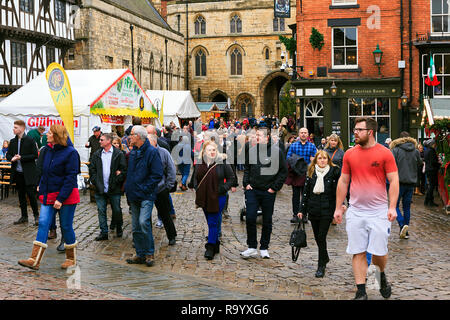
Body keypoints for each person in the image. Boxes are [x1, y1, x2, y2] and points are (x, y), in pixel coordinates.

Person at [333, 117, 399, 300]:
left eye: (359, 130)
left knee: (379, 253)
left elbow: (394, 181)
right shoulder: (350, 154)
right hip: (356, 211)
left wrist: (392, 207)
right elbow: (343, 181)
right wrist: (338, 207)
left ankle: (381, 276)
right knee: (358, 251)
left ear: (370, 132)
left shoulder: (385, 154)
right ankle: (361, 291)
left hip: (378, 212)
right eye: (354, 129)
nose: (355, 132)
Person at [18, 124, 81, 270]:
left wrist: (61, 199)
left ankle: (71, 259)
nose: (47, 134)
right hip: (49, 194)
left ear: (57, 136)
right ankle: (34, 260)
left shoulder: (71, 153)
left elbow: (70, 178)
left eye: (50, 133)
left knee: (66, 226)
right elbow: (43, 171)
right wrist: (40, 185)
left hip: (66, 196)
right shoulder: (46, 150)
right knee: (43, 223)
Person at [241, 127, 288, 259]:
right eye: (256, 135)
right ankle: (251, 247)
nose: (257, 137)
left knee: (267, 219)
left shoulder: (276, 152)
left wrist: (274, 188)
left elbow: (283, 172)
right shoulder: (251, 150)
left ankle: (264, 247)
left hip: (268, 191)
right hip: (253, 190)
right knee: (250, 217)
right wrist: (246, 183)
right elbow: (247, 168)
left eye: (259, 135)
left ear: (267, 137)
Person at [297, 150, 342, 278]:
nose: (322, 161)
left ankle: (321, 265)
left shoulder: (334, 172)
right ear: (316, 160)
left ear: (328, 160)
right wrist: (301, 210)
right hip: (313, 209)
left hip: (327, 210)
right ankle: (325, 257)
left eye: (324, 158)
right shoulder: (311, 172)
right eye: (320, 158)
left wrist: (340, 206)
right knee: (317, 237)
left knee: (321, 236)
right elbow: (305, 193)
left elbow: (338, 191)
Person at [125, 125, 163, 267]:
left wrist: (145, 188)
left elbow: (157, 174)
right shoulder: (133, 152)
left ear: (139, 137)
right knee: (135, 226)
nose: (130, 137)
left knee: (143, 222)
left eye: (132, 134)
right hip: (133, 194)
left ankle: (149, 253)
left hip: (146, 194)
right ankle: (140, 253)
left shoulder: (152, 152)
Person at [193, 141, 235, 260]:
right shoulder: (200, 163)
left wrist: (222, 189)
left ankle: (210, 247)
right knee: (211, 221)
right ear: (204, 151)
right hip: (204, 197)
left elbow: (232, 178)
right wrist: (197, 188)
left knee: (212, 221)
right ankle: (216, 244)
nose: (212, 152)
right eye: (209, 150)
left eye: (214, 150)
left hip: (218, 197)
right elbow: (195, 178)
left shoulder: (222, 162)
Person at [89, 133, 127, 240]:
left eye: (102, 140)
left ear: (108, 141)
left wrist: (117, 180)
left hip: (114, 188)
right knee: (101, 210)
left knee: (116, 210)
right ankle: (104, 232)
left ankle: (119, 226)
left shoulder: (118, 154)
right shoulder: (97, 154)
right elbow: (92, 169)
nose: (99, 141)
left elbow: (123, 170)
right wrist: (95, 181)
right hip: (100, 187)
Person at [390, 132, 423, 240]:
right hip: (411, 182)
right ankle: (406, 231)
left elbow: (391, 165)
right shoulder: (415, 151)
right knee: (407, 207)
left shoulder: (396, 150)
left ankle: (401, 224)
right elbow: (420, 163)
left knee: (394, 205)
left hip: (398, 182)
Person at [6, 120, 40, 225]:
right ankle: (24, 216)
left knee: (31, 195)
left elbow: (35, 155)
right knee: (21, 195)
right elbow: (8, 154)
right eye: (14, 127)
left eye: (16, 127)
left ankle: (36, 216)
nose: (14, 129)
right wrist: (12, 158)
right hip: (18, 173)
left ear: (22, 128)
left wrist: (21, 158)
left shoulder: (30, 140)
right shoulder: (13, 141)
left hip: (28, 173)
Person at [148, 134, 177, 246]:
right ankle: (147, 237)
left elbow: (171, 169)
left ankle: (172, 236)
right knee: (146, 216)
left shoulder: (163, 152)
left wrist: (167, 186)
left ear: (155, 142)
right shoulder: (144, 152)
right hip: (147, 190)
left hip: (161, 189)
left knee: (165, 214)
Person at [286, 127, 317, 224]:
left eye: (305, 133)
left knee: (306, 195)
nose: (303, 134)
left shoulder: (312, 146)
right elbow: (288, 157)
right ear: (299, 134)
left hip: (307, 174)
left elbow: (315, 159)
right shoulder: (294, 146)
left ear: (308, 135)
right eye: (301, 132)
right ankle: (295, 215)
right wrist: (296, 162)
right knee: (295, 196)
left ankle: (304, 215)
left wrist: (311, 162)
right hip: (296, 173)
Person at [423, 139, 441, 207]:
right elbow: (433, 162)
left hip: (428, 169)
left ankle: (427, 201)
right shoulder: (431, 151)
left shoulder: (427, 150)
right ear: (432, 144)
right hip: (432, 170)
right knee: (431, 186)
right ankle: (430, 201)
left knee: (430, 185)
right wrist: (439, 164)